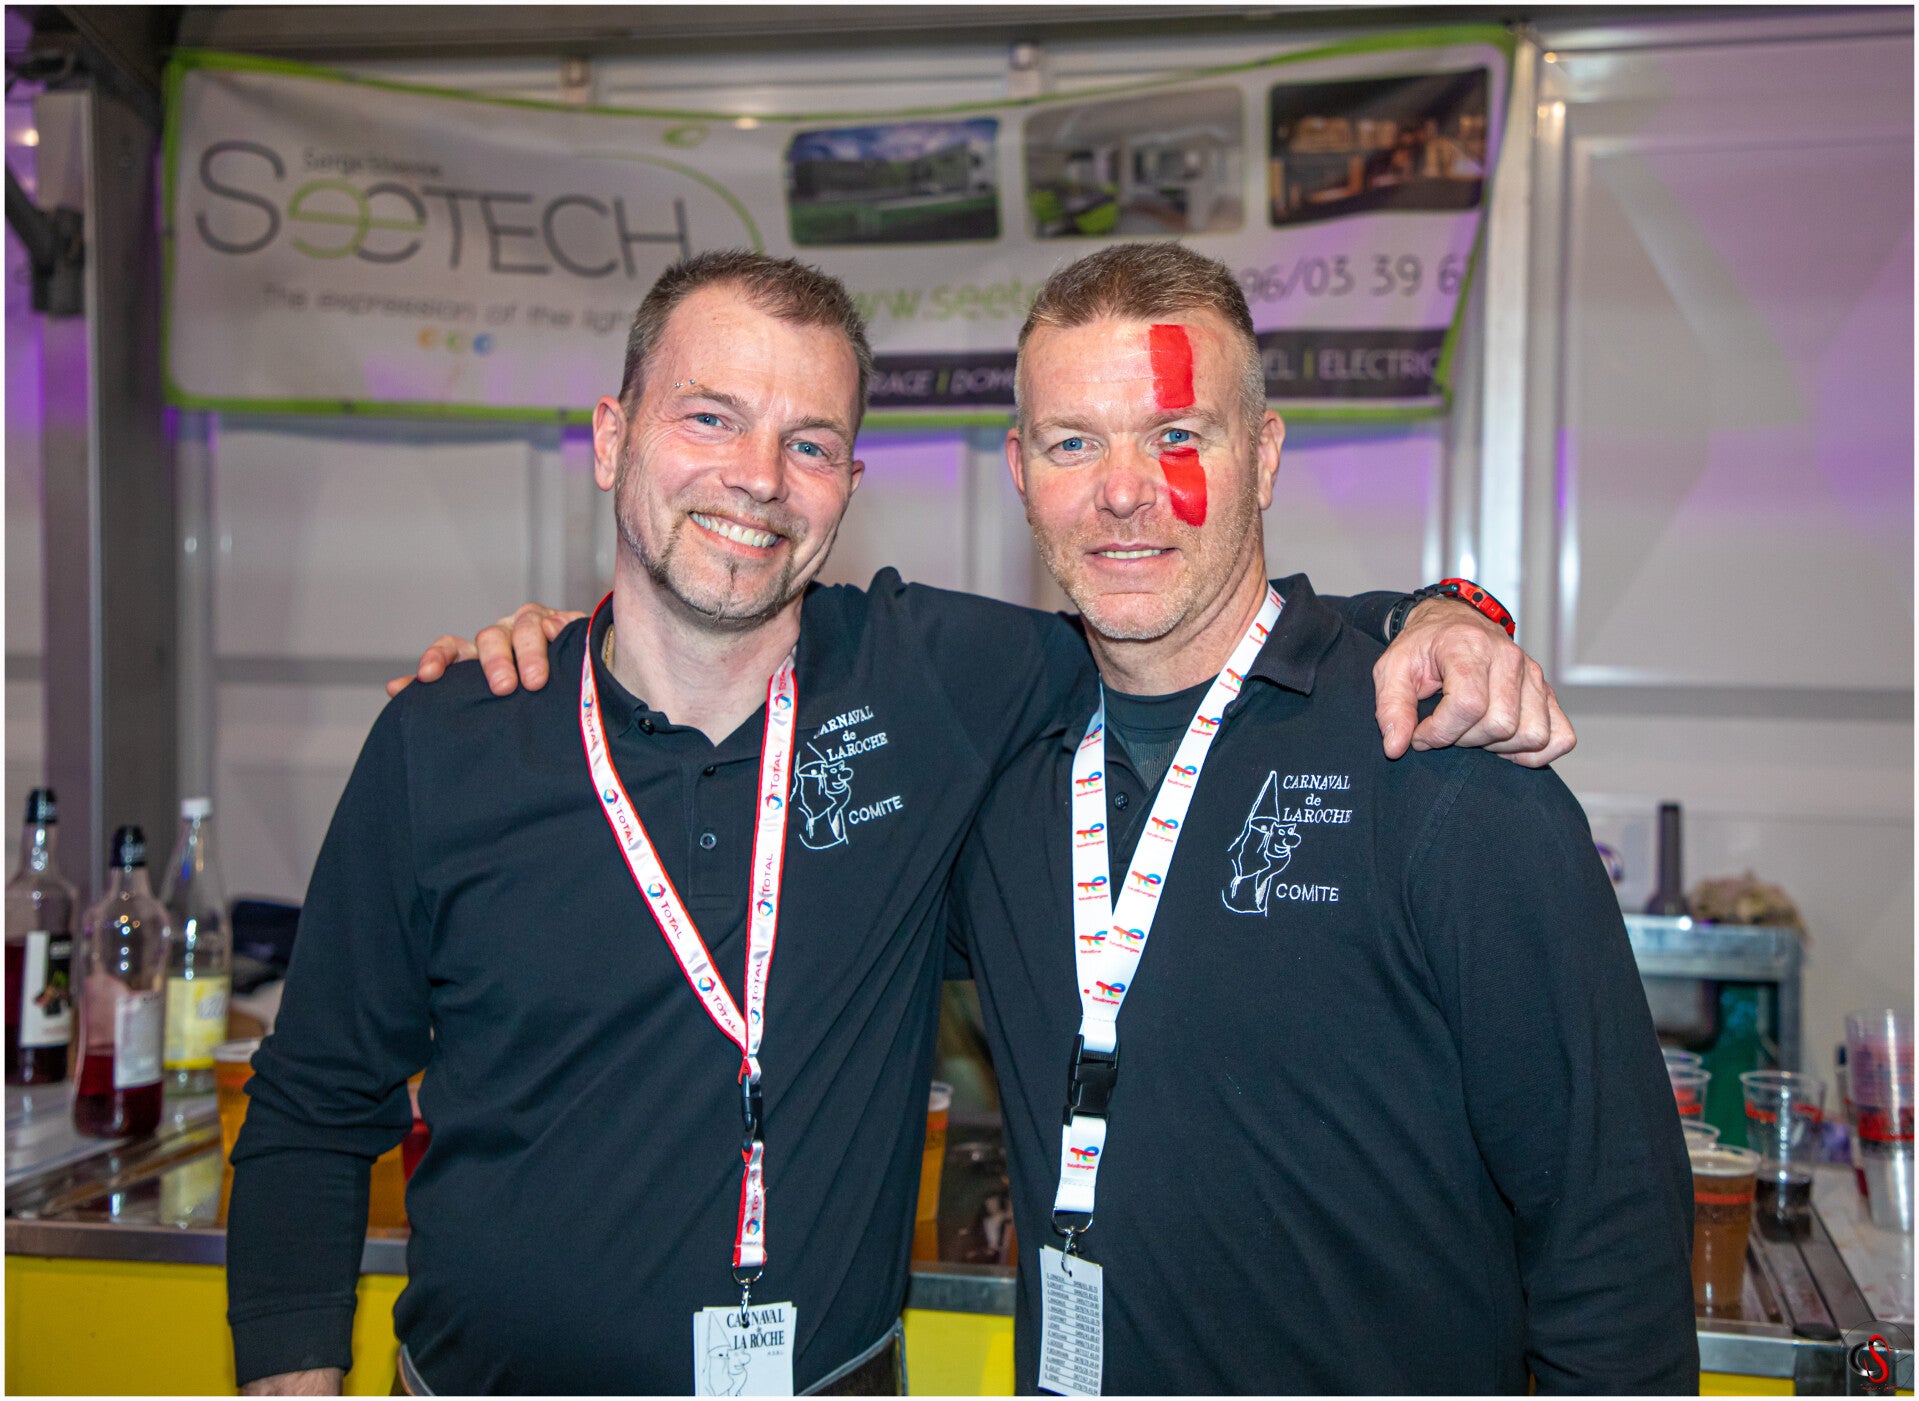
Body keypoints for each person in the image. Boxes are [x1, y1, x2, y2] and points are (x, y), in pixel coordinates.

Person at [229, 250, 1568, 1397]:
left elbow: (1195, 616)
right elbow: (313, 1102)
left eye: (807, 443)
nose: (755, 478)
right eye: (709, 418)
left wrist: (1440, 615)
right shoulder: (452, 739)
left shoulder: (934, 682)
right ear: (611, 437)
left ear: (848, 481)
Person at [941, 243, 1696, 1392]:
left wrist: (1444, 612)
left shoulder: (1437, 761)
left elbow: (1610, 1233)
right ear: (1018, 468)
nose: (1123, 490)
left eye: (1176, 435)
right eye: (1071, 443)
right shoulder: (996, 758)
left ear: (1262, 456)